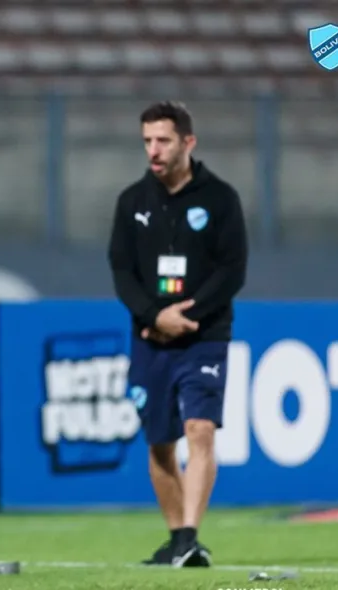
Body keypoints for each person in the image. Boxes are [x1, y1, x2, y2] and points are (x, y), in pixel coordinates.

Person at [107, 101, 248, 568]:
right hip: (150, 337)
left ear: (188, 142)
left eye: (163, 140)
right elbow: (122, 270)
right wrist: (153, 315)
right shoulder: (132, 202)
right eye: (147, 140)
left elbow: (232, 270)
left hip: (204, 336)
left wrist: (188, 315)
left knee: (200, 429)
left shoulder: (220, 199)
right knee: (161, 442)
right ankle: (177, 539)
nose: (154, 149)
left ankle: (189, 536)